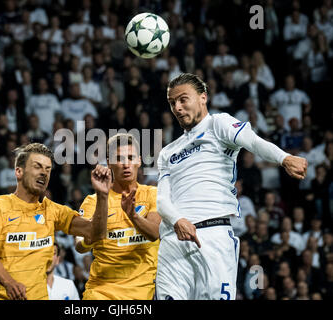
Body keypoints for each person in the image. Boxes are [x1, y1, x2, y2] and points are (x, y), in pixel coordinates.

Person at [155, 73, 308, 300]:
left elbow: (254, 142)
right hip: (172, 241)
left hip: (212, 236)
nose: (177, 107)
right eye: (172, 103)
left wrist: (284, 158)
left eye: (183, 99)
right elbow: (162, 200)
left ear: (203, 97)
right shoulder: (168, 152)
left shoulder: (218, 124)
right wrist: (177, 220)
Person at [0, 143, 111, 300]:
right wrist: (9, 283)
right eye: (37, 167)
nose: (44, 173)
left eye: (47, 169)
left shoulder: (52, 210)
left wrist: (102, 196)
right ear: (18, 171)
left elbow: (97, 233)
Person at [75, 133, 161, 300]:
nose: (126, 164)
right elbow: (80, 246)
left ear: (139, 161)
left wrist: (132, 216)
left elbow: (154, 234)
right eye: (120, 158)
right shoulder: (92, 201)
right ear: (109, 163)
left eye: (131, 157)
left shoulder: (153, 194)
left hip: (141, 295)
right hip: (100, 293)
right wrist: (102, 197)